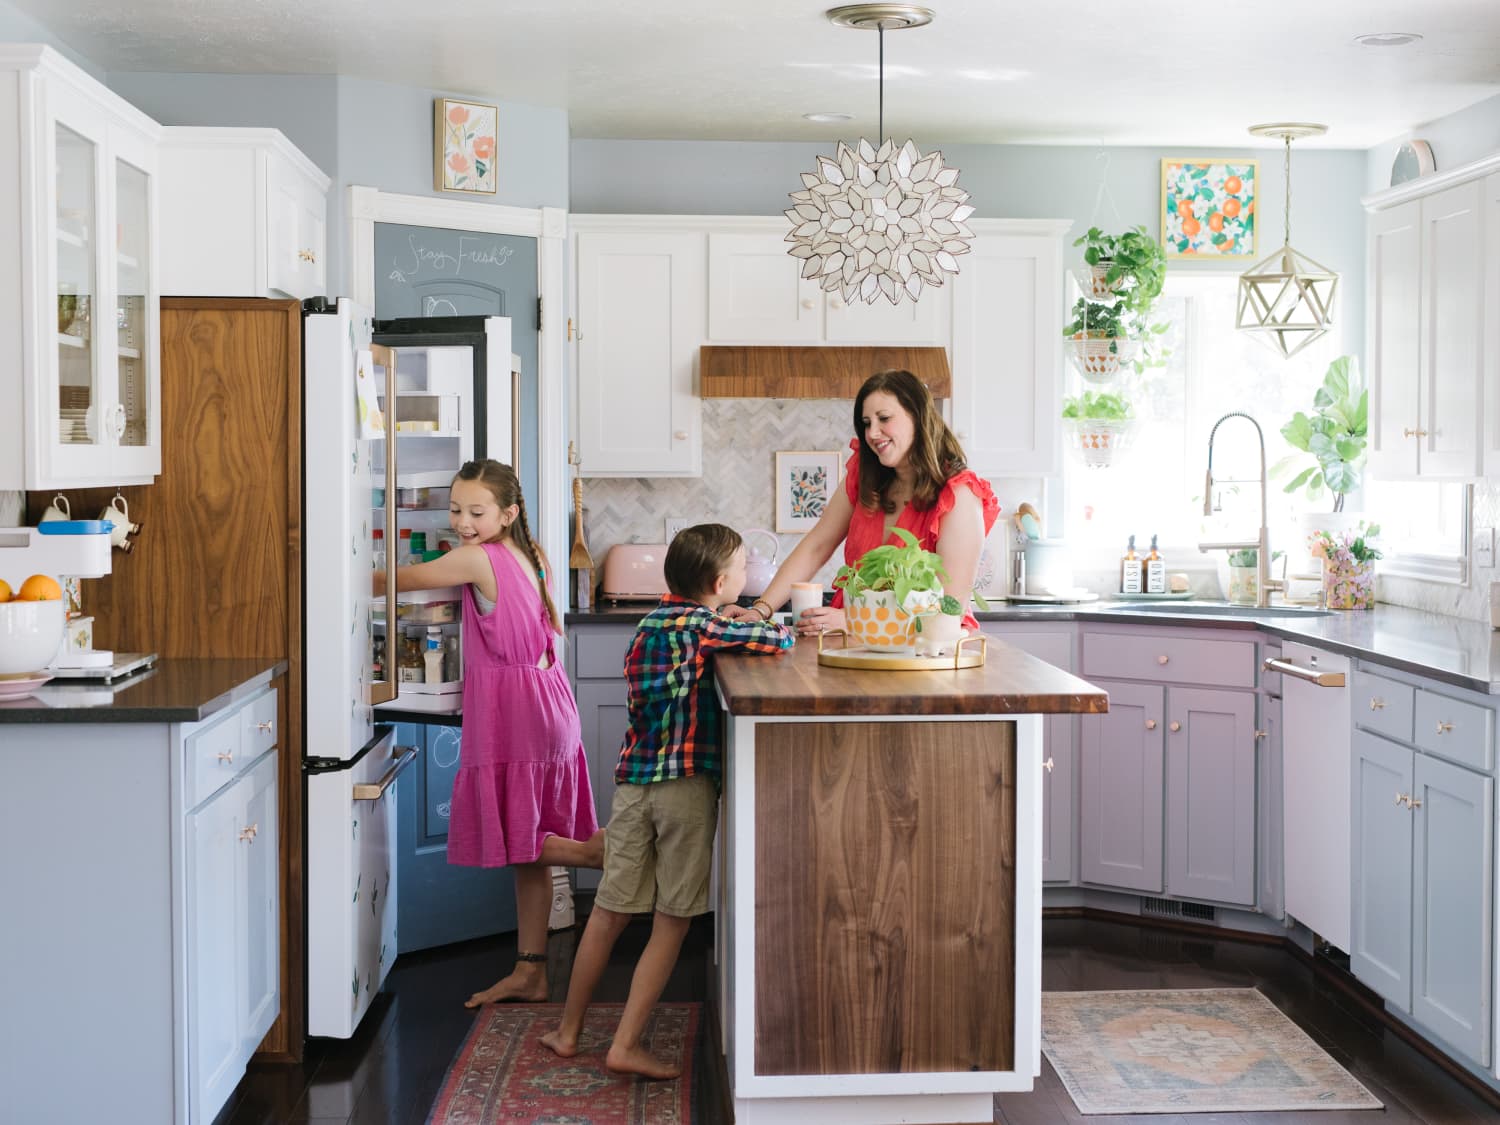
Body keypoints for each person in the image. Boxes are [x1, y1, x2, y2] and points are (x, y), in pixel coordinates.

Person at [541, 523, 792, 1078]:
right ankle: (625, 1044)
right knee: (672, 918)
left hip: (633, 786)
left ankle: (567, 1031)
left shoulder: (650, 622)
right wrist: (763, 616)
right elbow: (781, 642)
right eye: (745, 565)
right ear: (723, 582)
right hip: (685, 790)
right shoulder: (709, 626)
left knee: (608, 913)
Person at [376, 459, 603, 1007]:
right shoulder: (532, 553)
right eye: (455, 509)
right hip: (547, 699)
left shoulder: (477, 559)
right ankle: (530, 970)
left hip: (517, 709)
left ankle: (607, 855)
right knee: (529, 849)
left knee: (521, 834)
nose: (462, 521)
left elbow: (393, 581)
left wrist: (342, 564)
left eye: (476, 511)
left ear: (508, 512)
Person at [732, 368, 1000, 634]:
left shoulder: (959, 496)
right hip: (851, 644)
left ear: (918, 418)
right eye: (866, 423)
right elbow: (817, 546)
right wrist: (761, 610)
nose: (872, 433)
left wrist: (854, 622)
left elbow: (947, 609)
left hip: (923, 653)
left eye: (884, 418)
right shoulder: (865, 478)